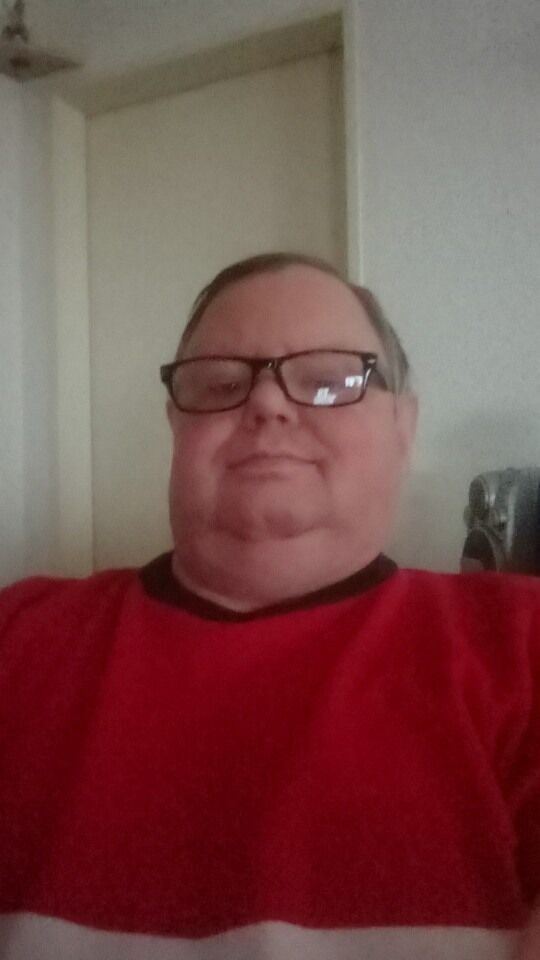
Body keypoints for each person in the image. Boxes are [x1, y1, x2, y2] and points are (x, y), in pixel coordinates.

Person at [0, 252, 539, 960]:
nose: (267, 404)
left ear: (404, 427)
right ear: (176, 424)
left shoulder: (524, 643)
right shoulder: (16, 638)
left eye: (329, 380)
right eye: (222, 383)